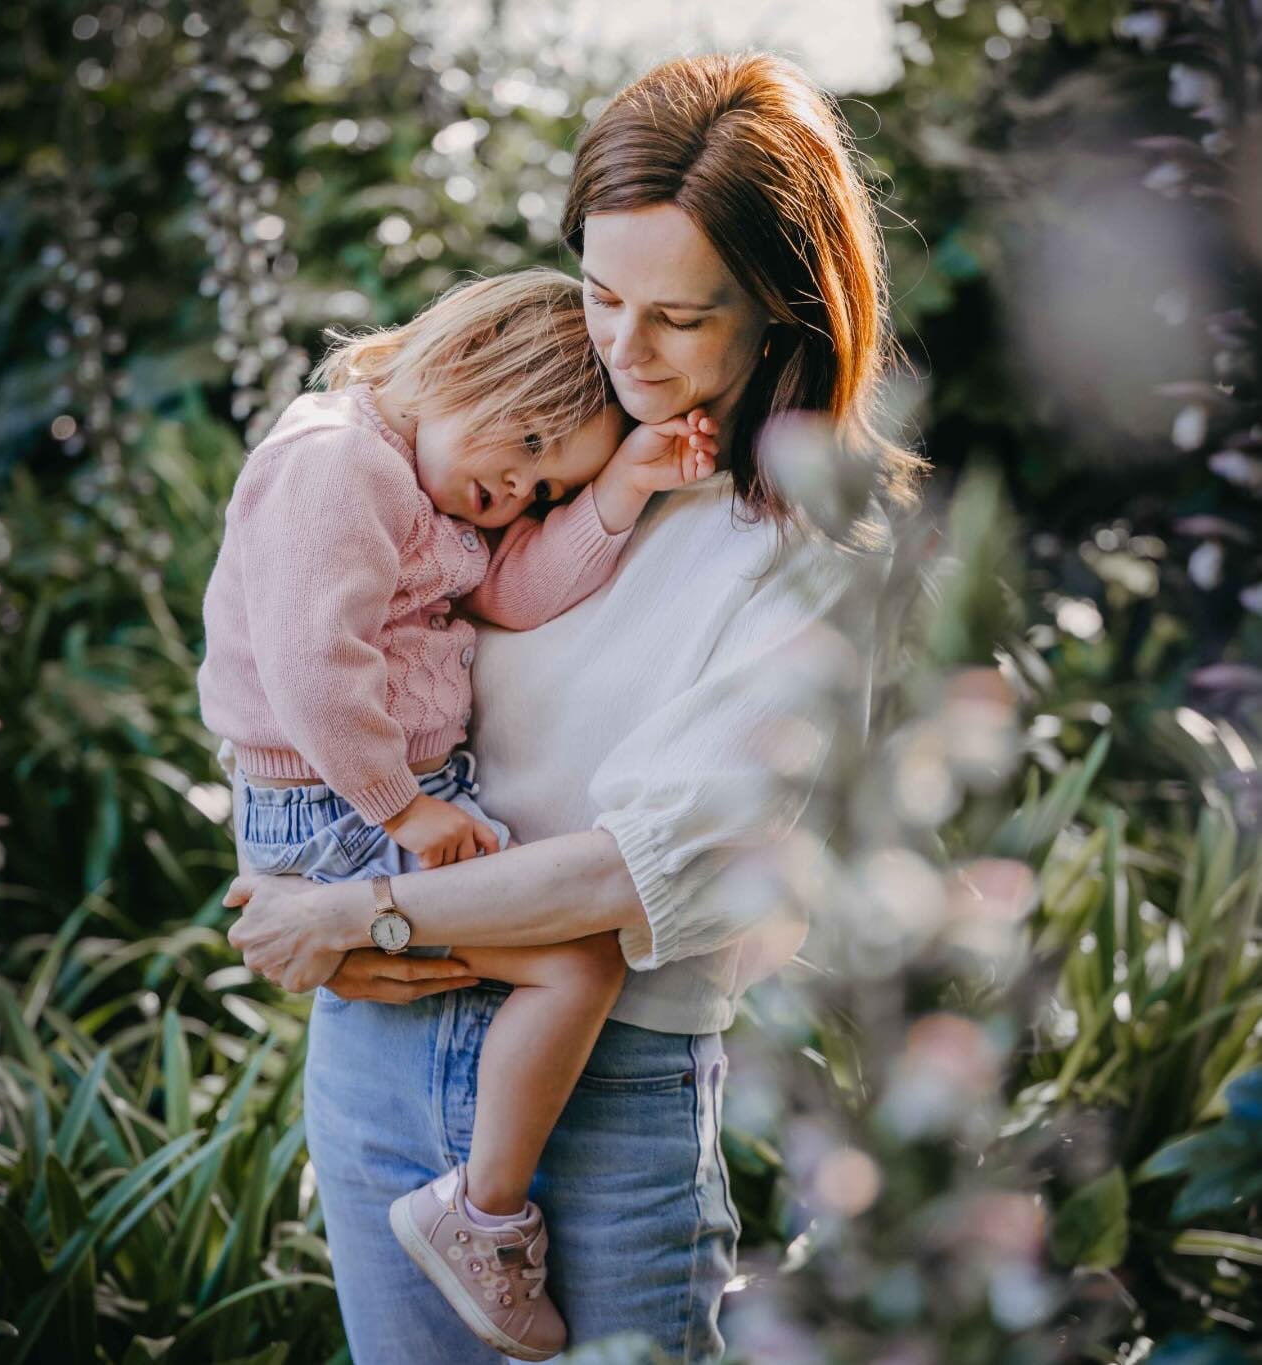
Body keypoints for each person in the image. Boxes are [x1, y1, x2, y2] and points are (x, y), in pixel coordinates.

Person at [225, 51, 927, 1363]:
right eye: (602, 292)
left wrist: (351, 909)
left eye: (679, 317)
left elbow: (643, 868)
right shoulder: (546, 433)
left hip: (605, 1087)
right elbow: (354, 638)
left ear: (784, 309)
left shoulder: (809, 546)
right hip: (383, 1037)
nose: (624, 348)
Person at [197, 268, 721, 1359]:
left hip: (374, 802)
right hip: (338, 805)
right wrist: (405, 809)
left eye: (544, 485)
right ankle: (484, 1220)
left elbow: (515, 592)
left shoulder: (425, 488)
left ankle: (479, 1206)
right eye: (526, 447)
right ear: (465, 364)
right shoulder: (334, 462)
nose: (519, 492)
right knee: (577, 964)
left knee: (572, 957)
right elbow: (310, 667)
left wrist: (615, 490)